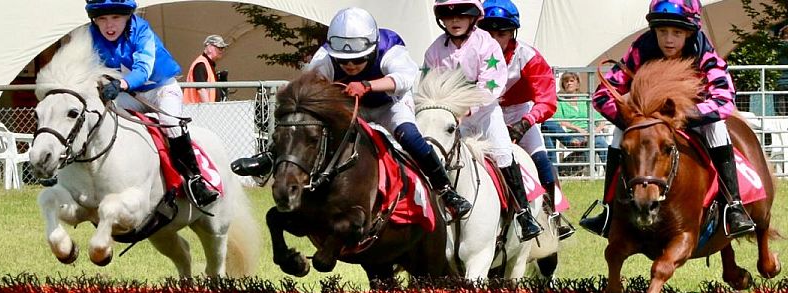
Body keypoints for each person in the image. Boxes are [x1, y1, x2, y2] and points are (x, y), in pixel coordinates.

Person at [229, 8, 474, 219]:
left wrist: (366, 86)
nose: (350, 66)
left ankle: (445, 190)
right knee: (303, 122)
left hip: (390, 104)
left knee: (409, 136)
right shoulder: (324, 56)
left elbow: (404, 78)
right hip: (351, 106)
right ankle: (269, 158)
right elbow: (308, 84)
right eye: (344, 61)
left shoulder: (390, 46)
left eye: (357, 60)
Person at [580, 0, 756, 238]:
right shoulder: (641, 47)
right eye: (662, 32)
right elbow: (602, 95)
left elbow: (724, 98)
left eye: (677, 32)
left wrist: (686, 117)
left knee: (717, 128)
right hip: (647, 117)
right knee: (618, 135)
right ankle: (609, 210)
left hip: (692, 112)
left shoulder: (703, 48)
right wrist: (634, 121)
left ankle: (733, 207)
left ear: (690, 32)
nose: (668, 39)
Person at [425, 0, 542, 241]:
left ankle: (523, 213)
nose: (454, 21)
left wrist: (467, 109)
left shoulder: (486, 44)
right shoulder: (434, 50)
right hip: (452, 118)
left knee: (504, 154)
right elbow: (429, 86)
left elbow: (492, 84)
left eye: (461, 15)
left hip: (486, 115)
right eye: (448, 16)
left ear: (473, 17)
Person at [84, 0, 218, 206]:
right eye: (102, 19)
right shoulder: (90, 36)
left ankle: (195, 180)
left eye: (115, 18)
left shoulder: (142, 30)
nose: (109, 25)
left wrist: (120, 83)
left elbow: (143, 70)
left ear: (127, 16)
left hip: (161, 89)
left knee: (170, 123)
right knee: (102, 117)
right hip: (130, 93)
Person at [478, 0, 574, 239]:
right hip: (481, 112)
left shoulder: (527, 56)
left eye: (501, 34)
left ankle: (553, 213)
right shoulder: (469, 53)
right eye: (488, 33)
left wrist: (526, 122)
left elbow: (548, 100)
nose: (494, 39)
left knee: (540, 157)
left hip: (520, 112)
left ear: (513, 33)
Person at [544, 72, 609, 163]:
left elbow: (601, 120)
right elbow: (559, 121)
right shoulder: (560, 101)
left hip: (591, 132)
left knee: (602, 143)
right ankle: (584, 170)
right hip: (572, 133)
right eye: (566, 81)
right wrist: (578, 129)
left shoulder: (585, 99)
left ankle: (610, 173)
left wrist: (594, 131)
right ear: (563, 84)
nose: (569, 83)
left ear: (577, 83)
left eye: (571, 81)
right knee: (585, 144)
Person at [183, 34, 228, 103]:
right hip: (197, 110)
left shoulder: (208, 64)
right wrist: (208, 108)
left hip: (203, 109)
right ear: (209, 48)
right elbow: (201, 89)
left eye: (223, 48)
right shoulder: (201, 64)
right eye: (219, 47)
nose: (221, 50)